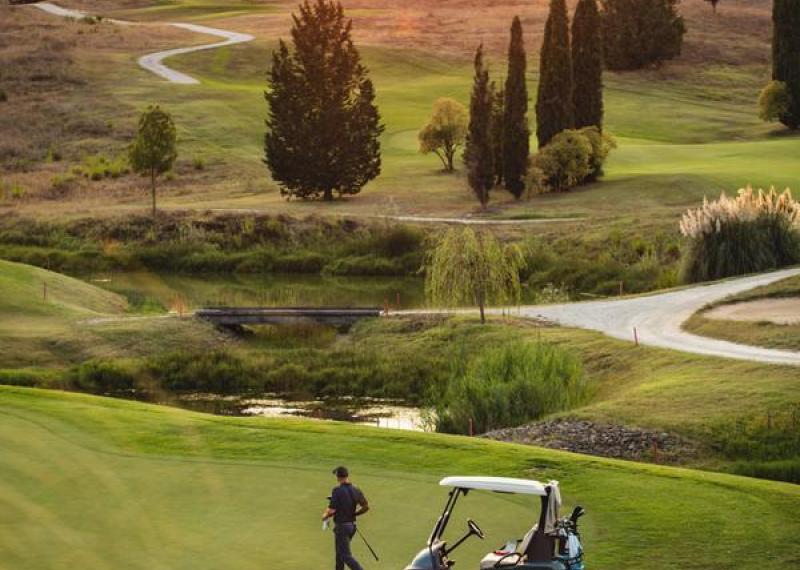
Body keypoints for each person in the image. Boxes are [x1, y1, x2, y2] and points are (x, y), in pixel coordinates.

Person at [322, 466, 370, 570]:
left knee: (345, 555)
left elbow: (332, 511)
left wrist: (325, 516)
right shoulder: (356, 490)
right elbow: (366, 506)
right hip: (351, 527)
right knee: (340, 554)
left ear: (338, 477)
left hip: (342, 528)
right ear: (347, 475)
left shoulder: (337, 490)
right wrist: (354, 514)